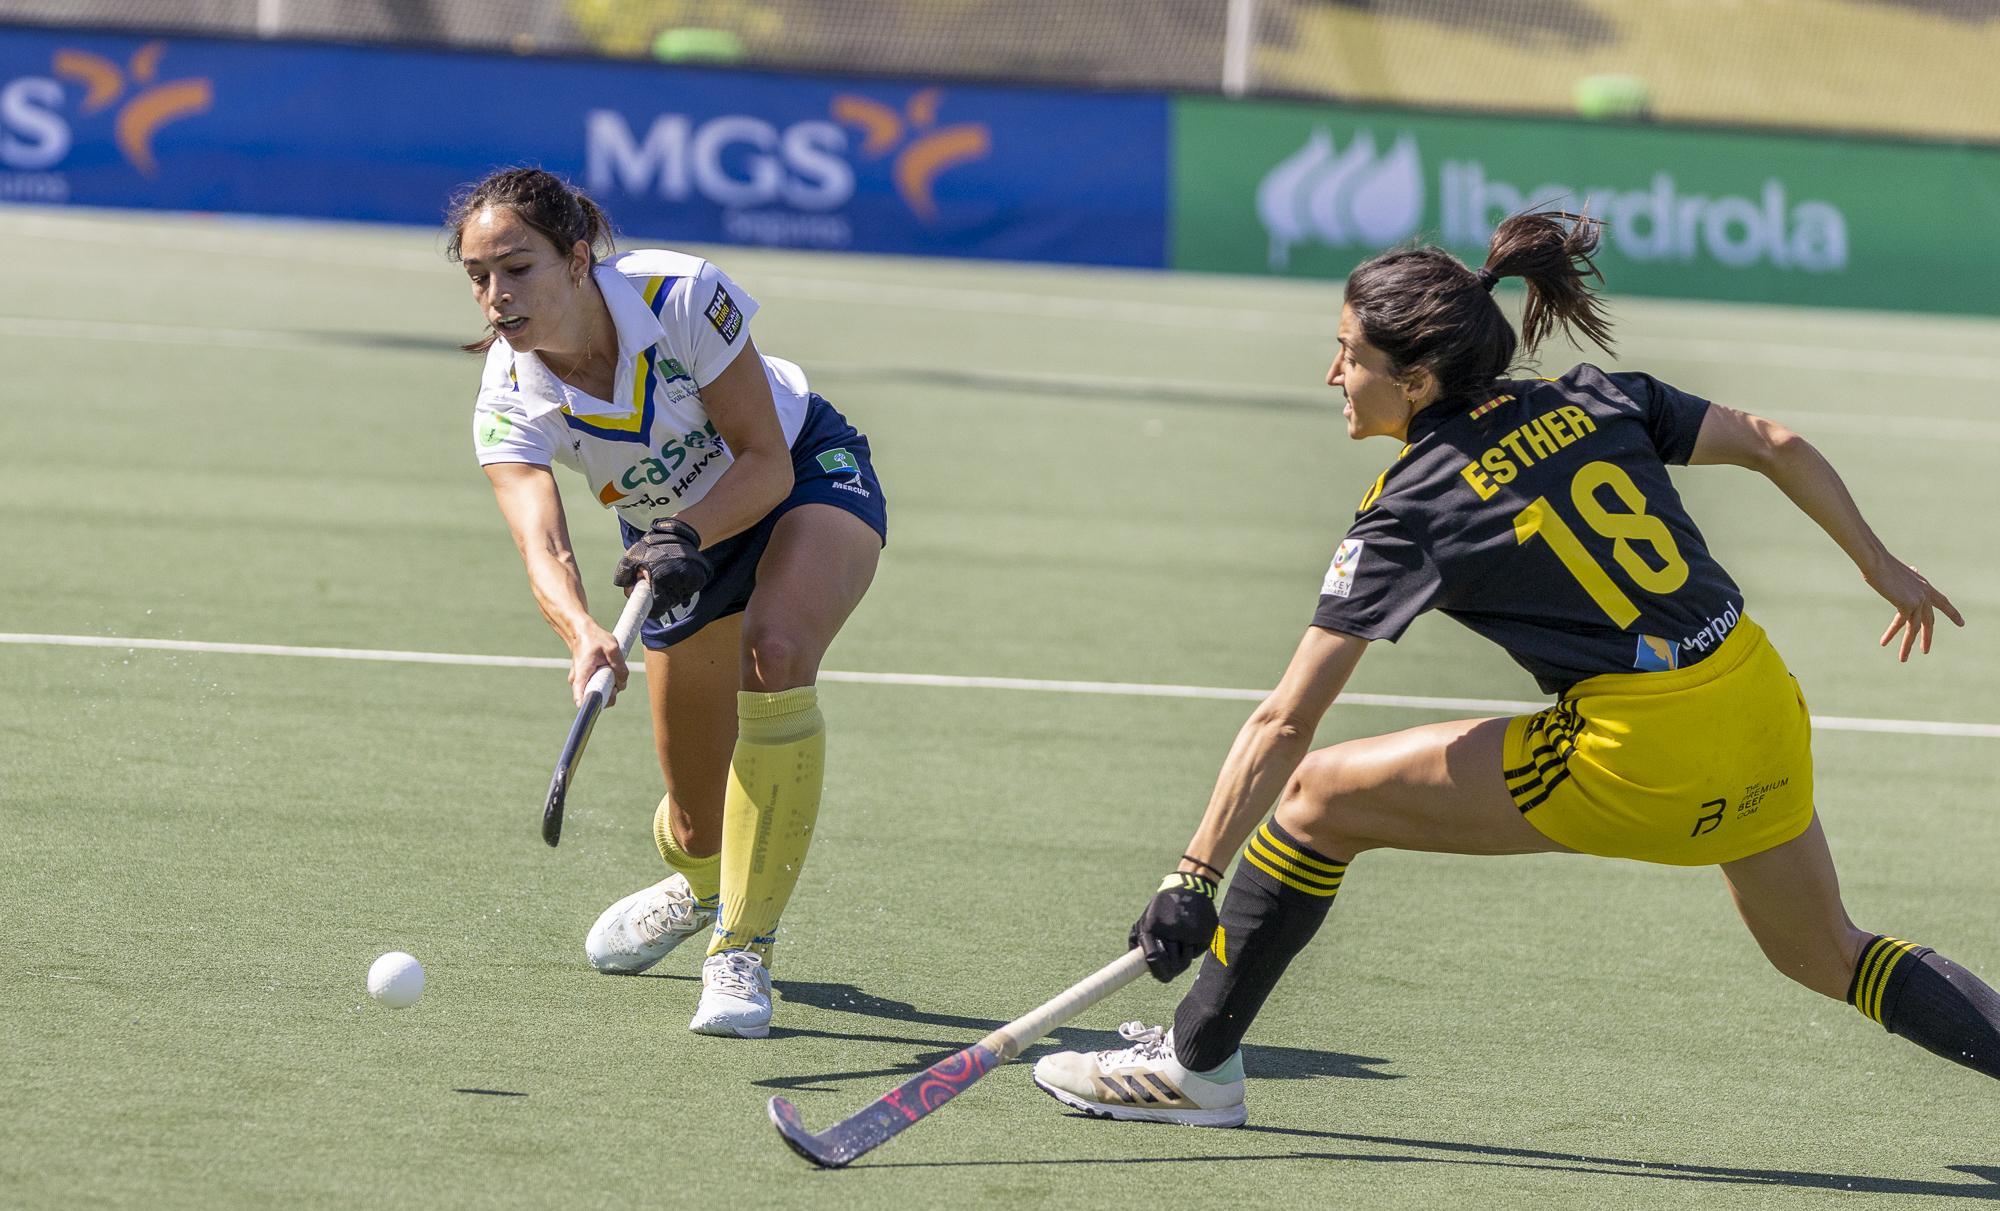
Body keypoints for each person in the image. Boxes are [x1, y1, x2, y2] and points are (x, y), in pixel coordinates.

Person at [1032, 210, 1994, 1126]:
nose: (1332, 373)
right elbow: (1772, 441)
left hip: (1643, 752)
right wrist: (1879, 563)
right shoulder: (1597, 395)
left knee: (1318, 799)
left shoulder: (1412, 509)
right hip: (1759, 702)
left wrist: (1195, 874)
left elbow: (1287, 722)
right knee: (1829, 954)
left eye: (1351, 356)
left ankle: (1194, 1065)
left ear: (1415, 381)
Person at [449, 168, 886, 1038]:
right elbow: (543, 542)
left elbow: (762, 459)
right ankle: (702, 881)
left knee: (777, 650)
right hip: (667, 548)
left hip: (800, 475)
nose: (496, 295)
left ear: (578, 259)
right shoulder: (509, 393)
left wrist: (684, 530)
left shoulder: (681, 295)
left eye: (517, 268)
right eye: (478, 277)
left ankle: (741, 947)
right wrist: (581, 633)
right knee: (696, 820)